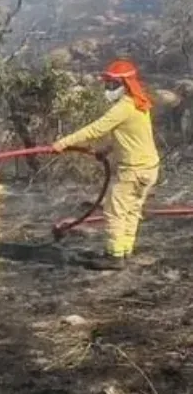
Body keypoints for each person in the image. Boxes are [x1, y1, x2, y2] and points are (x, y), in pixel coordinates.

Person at [52, 59, 159, 270]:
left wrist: (62, 143)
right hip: (149, 168)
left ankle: (114, 256)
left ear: (124, 83)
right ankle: (125, 249)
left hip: (132, 171)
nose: (108, 88)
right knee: (132, 210)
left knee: (114, 211)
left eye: (111, 84)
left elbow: (95, 129)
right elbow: (130, 135)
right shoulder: (140, 102)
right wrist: (108, 150)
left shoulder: (124, 107)